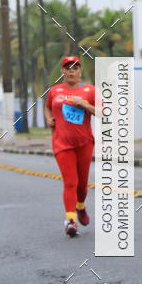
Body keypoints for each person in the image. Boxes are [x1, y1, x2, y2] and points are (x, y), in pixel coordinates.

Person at [44, 56, 96, 237]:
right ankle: (71, 220)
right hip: (61, 143)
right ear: (63, 72)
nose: (71, 71)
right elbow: (48, 107)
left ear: (80, 71)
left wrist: (85, 104)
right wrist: (48, 118)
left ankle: (80, 206)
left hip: (84, 143)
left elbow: (104, 112)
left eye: (75, 68)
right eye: (68, 68)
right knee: (70, 182)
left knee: (82, 185)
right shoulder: (54, 90)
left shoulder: (89, 90)